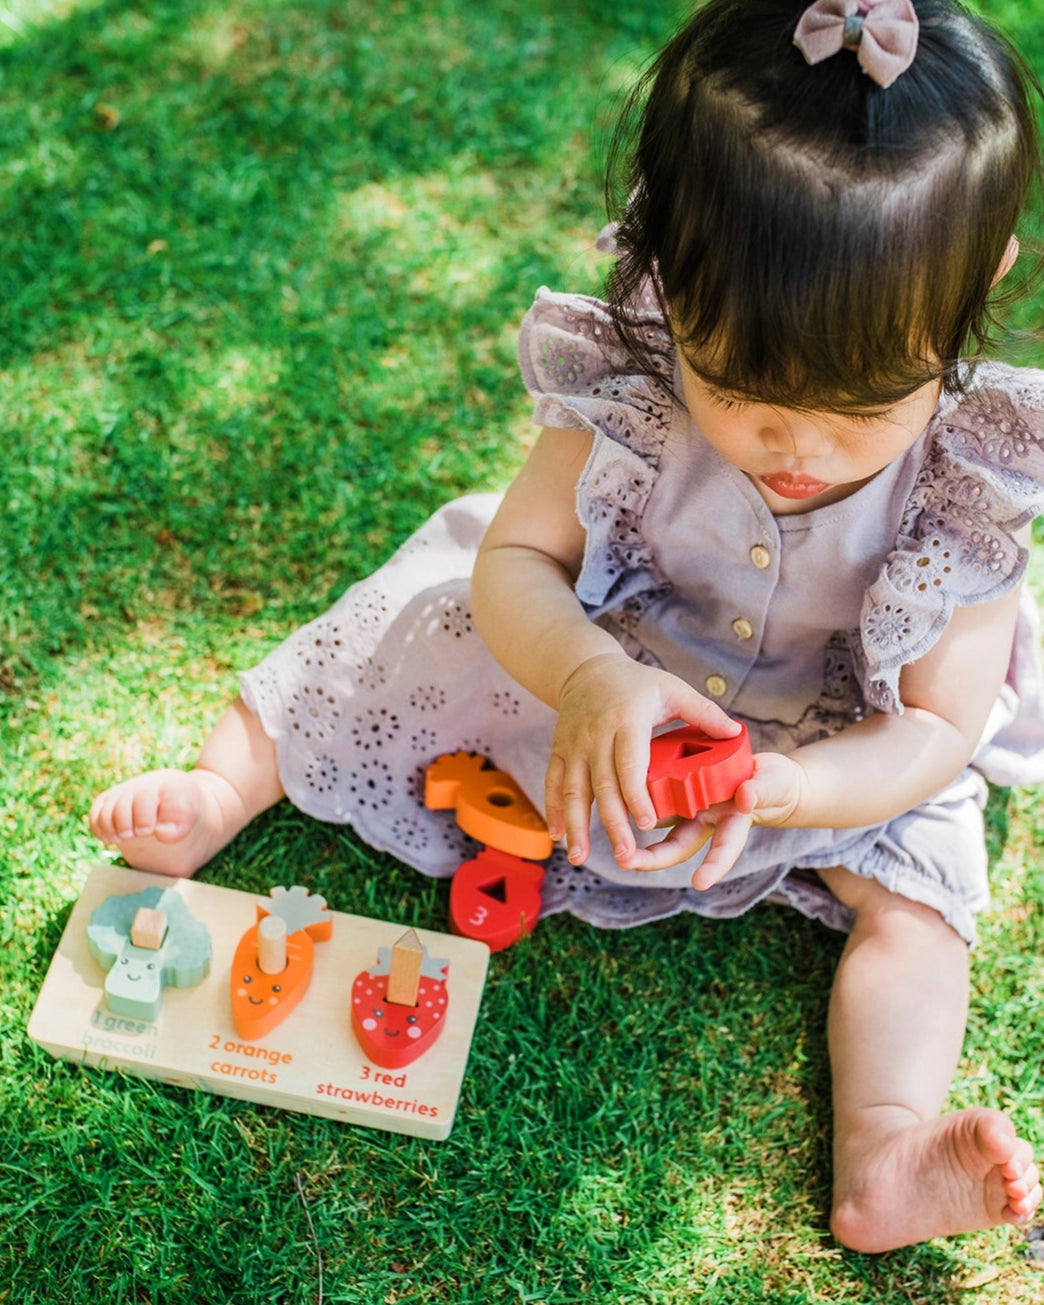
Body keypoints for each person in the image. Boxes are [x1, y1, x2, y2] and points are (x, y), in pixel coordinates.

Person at [90, 0, 1044, 1252]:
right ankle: (223, 788)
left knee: (917, 909)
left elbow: (932, 725)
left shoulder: (975, 479)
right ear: (666, 277)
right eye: (744, 390)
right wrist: (589, 672)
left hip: (835, 733)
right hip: (611, 650)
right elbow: (521, 561)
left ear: (976, 289)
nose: (796, 447)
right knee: (401, 635)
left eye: (862, 408)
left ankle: (885, 1141)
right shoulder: (631, 381)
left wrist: (797, 786)